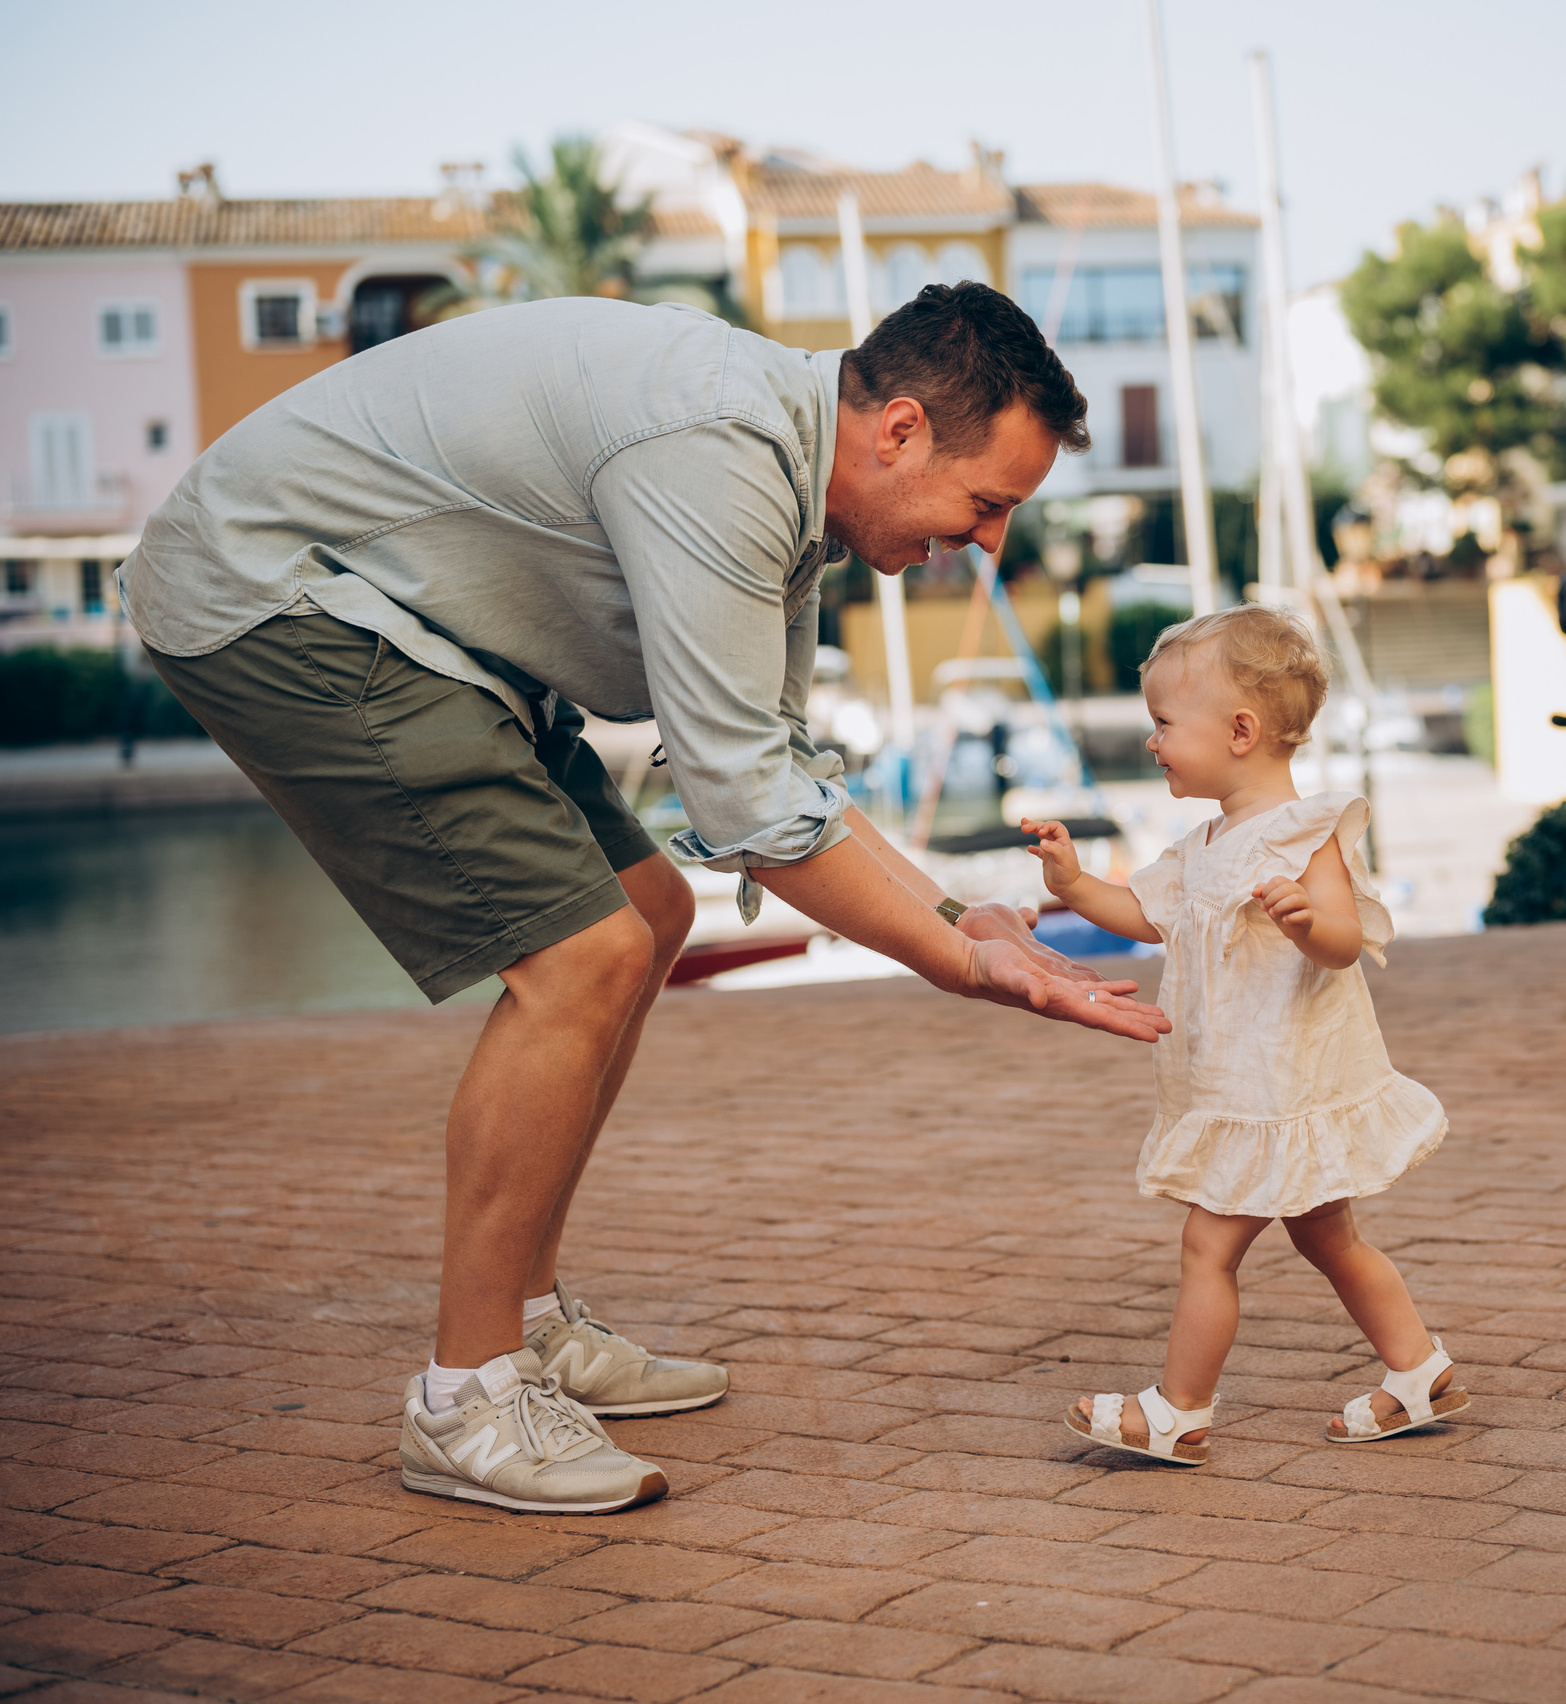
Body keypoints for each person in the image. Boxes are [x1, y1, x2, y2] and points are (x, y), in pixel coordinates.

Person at [121, 283, 1169, 1515]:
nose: (990, 541)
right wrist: (961, 961)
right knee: (582, 955)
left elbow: (772, 763)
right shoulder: (715, 451)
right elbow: (744, 805)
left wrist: (953, 916)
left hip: (423, 629)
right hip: (277, 596)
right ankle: (468, 1395)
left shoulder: (784, 473)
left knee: (648, 915)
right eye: (987, 503)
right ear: (896, 429)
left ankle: (524, 1318)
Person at [1022, 605, 1461, 1466]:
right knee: (1328, 1235)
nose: (1152, 741)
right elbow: (1143, 916)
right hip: (1246, 1083)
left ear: (1240, 730)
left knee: (1208, 1245)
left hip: (1280, 1087)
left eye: (1162, 723)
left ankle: (1178, 1410)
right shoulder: (1204, 844)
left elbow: (1343, 945)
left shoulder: (1305, 832)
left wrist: (1306, 921)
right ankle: (1420, 1370)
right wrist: (1074, 883)